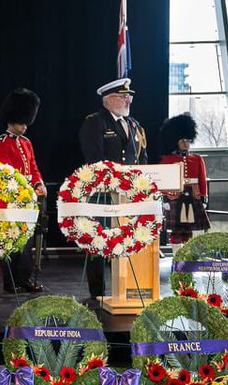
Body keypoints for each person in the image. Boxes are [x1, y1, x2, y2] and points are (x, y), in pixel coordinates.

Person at [78, 77, 148, 299]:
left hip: (130, 196)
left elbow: (142, 159)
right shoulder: (95, 122)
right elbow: (95, 158)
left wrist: (142, 185)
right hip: (103, 194)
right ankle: (97, 291)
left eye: (130, 96)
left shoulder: (135, 124)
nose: (128, 100)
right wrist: (116, 181)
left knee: (129, 238)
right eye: (123, 96)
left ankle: (129, 286)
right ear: (109, 99)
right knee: (99, 241)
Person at [0, 89, 45, 293]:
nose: (24, 127)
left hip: (28, 200)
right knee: (11, 242)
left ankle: (24, 278)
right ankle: (10, 281)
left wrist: (39, 184)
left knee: (26, 243)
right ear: (11, 120)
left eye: (25, 123)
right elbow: (2, 174)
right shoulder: (2, 142)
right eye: (21, 123)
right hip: (9, 201)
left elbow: (33, 167)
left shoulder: (26, 143)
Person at [158, 113, 209, 245]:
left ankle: (193, 258)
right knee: (176, 231)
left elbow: (202, 180)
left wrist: (203, 198)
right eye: (182, 141)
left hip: (194, 194)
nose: (186, 144)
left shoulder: (197, 159)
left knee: (196, 230)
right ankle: (177, 258)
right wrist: (165, 198)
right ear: (175, 142)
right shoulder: (167, 160)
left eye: (188, 141)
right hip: (175, 195)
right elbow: (163, 181)